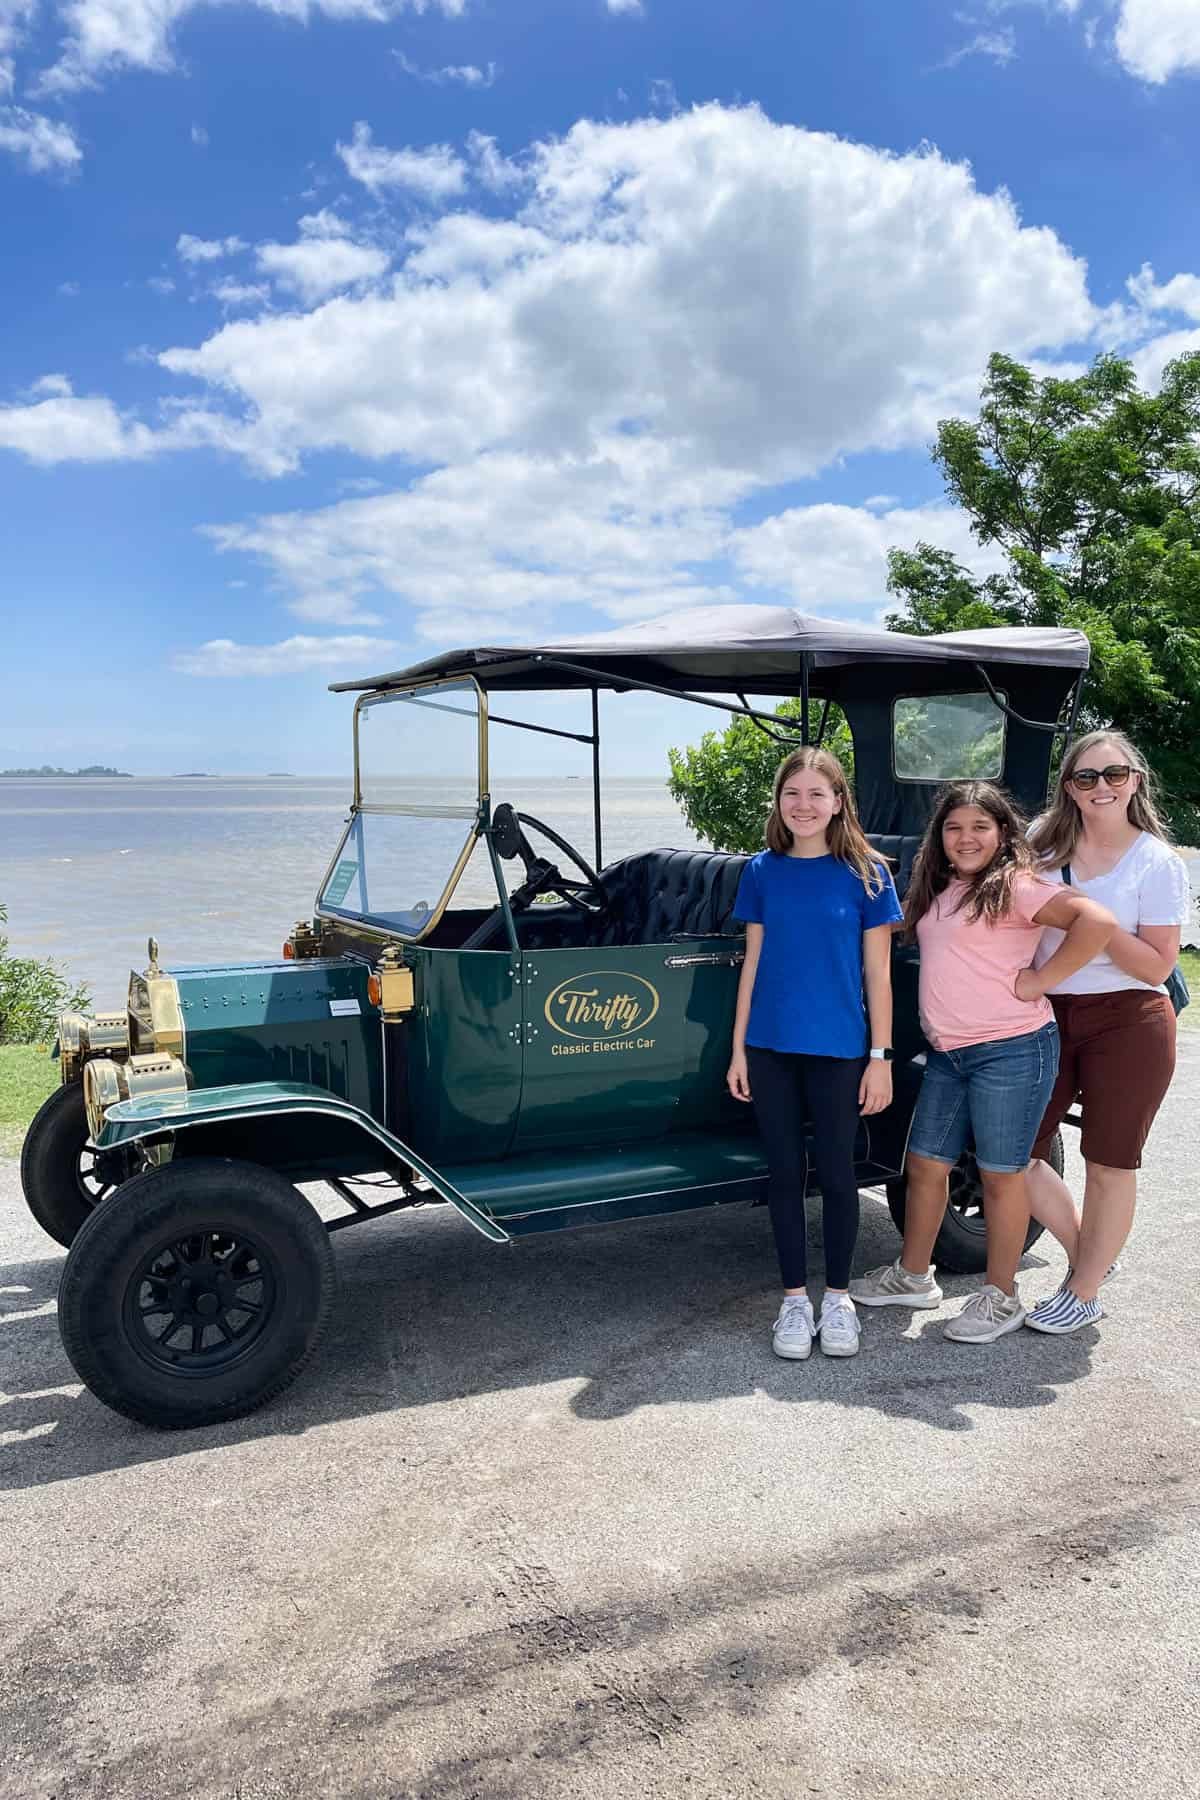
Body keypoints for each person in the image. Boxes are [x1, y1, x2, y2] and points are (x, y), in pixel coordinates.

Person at [850, 782, 1113, 1343]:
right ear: (939, 837)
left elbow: (1096, 922)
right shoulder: (937, 890)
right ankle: (914, 1276)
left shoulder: (1015, 886)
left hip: (1012, 1050)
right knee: (923, 1165)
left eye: (979, 828)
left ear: (1002, 834)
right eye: (953, 828)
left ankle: (1002, 1296)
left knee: (1002, 1175)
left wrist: (1041, 980)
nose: (965, 839)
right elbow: (896, 931)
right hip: (948, 1055)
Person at [727, 746, 903, 1362]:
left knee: (836, 1175)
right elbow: (752, 964)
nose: (803, 805)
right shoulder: (761, 871)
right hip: (770, 1048)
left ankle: (838, 1300)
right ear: (779, 801)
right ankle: (795, 1301)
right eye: (792, 793)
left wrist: (880, 1055)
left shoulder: (869, 874)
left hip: (839, 1051)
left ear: (838, 802)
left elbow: (879, 975)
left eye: (816, 794)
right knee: (783, 1176)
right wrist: (738, 1050)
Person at [1020, 731, 1192, 1334]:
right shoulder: (1040, 842)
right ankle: (1088, 1255)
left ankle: (1084, 1291)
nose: (1100, 788)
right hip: (1047, 1015)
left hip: (1130, 1018)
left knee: (1109, 1162)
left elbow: (1157, 965)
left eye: (1114, 775)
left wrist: (1087, 918)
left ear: (1135, 781)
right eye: (1086, 777)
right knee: (1014, 1150)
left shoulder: (1157, 862)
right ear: (1069, 787)